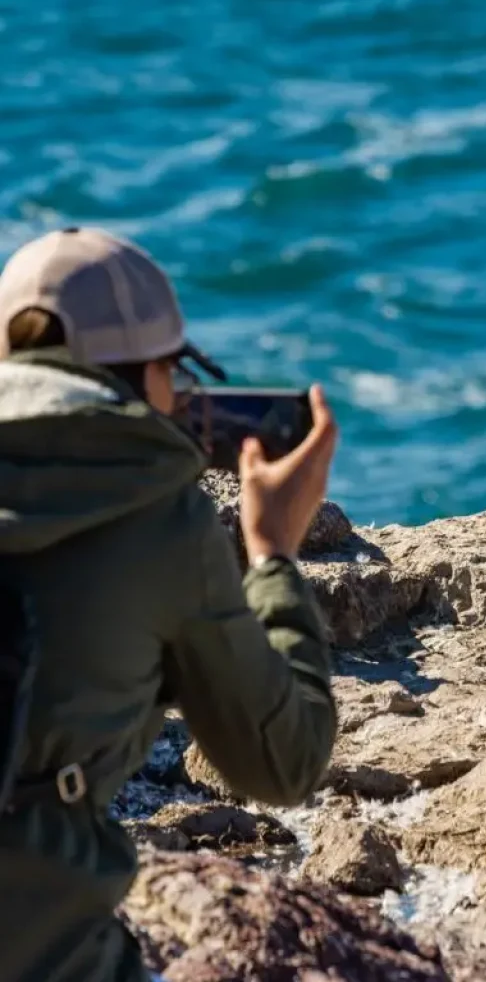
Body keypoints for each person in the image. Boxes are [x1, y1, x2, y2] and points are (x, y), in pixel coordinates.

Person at [0, 227, 340, 982]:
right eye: (176, 372)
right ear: (145, 375)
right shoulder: (158, 519)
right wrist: (273, 552)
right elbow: (284, 762)